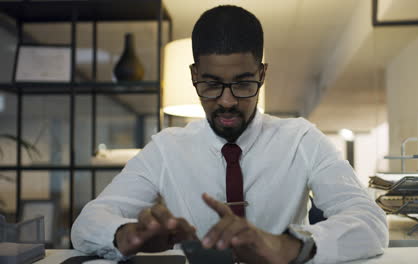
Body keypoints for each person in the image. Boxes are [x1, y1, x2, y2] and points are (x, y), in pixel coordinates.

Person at [71, 5, 388, 264]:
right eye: (210, 84)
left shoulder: (302, 139)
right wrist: (127, 235)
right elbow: (88, 223)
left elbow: (370, 222)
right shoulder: (165, 148)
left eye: (243, 83)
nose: (226, 101)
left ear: (262, 74)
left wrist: (286, 246)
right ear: (194, 75)